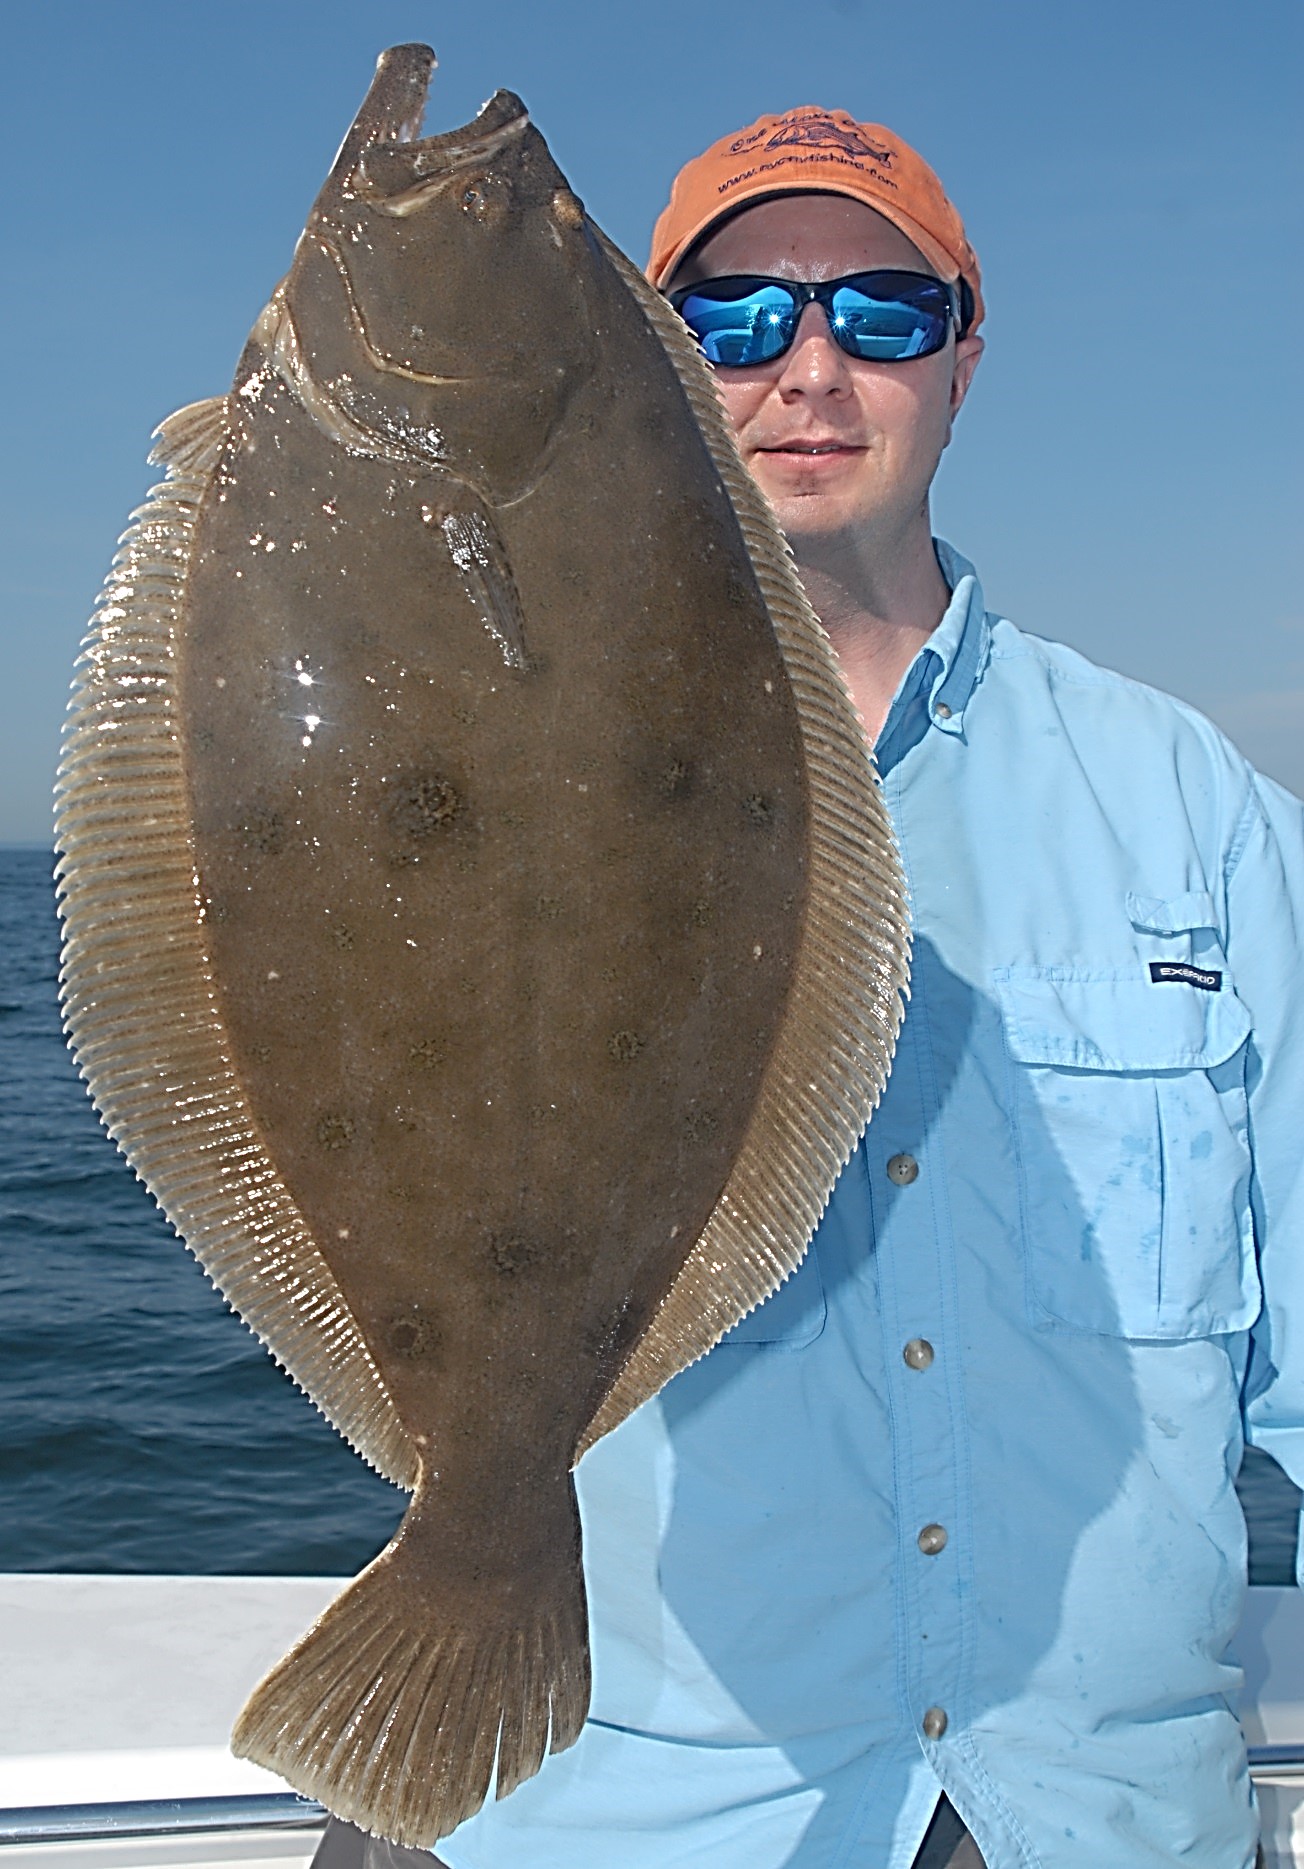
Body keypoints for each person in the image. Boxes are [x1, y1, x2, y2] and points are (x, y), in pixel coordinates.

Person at [423, 111, 1304, 1869]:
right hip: (641, 1817)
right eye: (737, 318)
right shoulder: (502, 779)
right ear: (661, 368)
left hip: (1102, 1819)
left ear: (965, 358)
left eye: (882, 312)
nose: (809, 366)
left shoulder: (1195, 808)